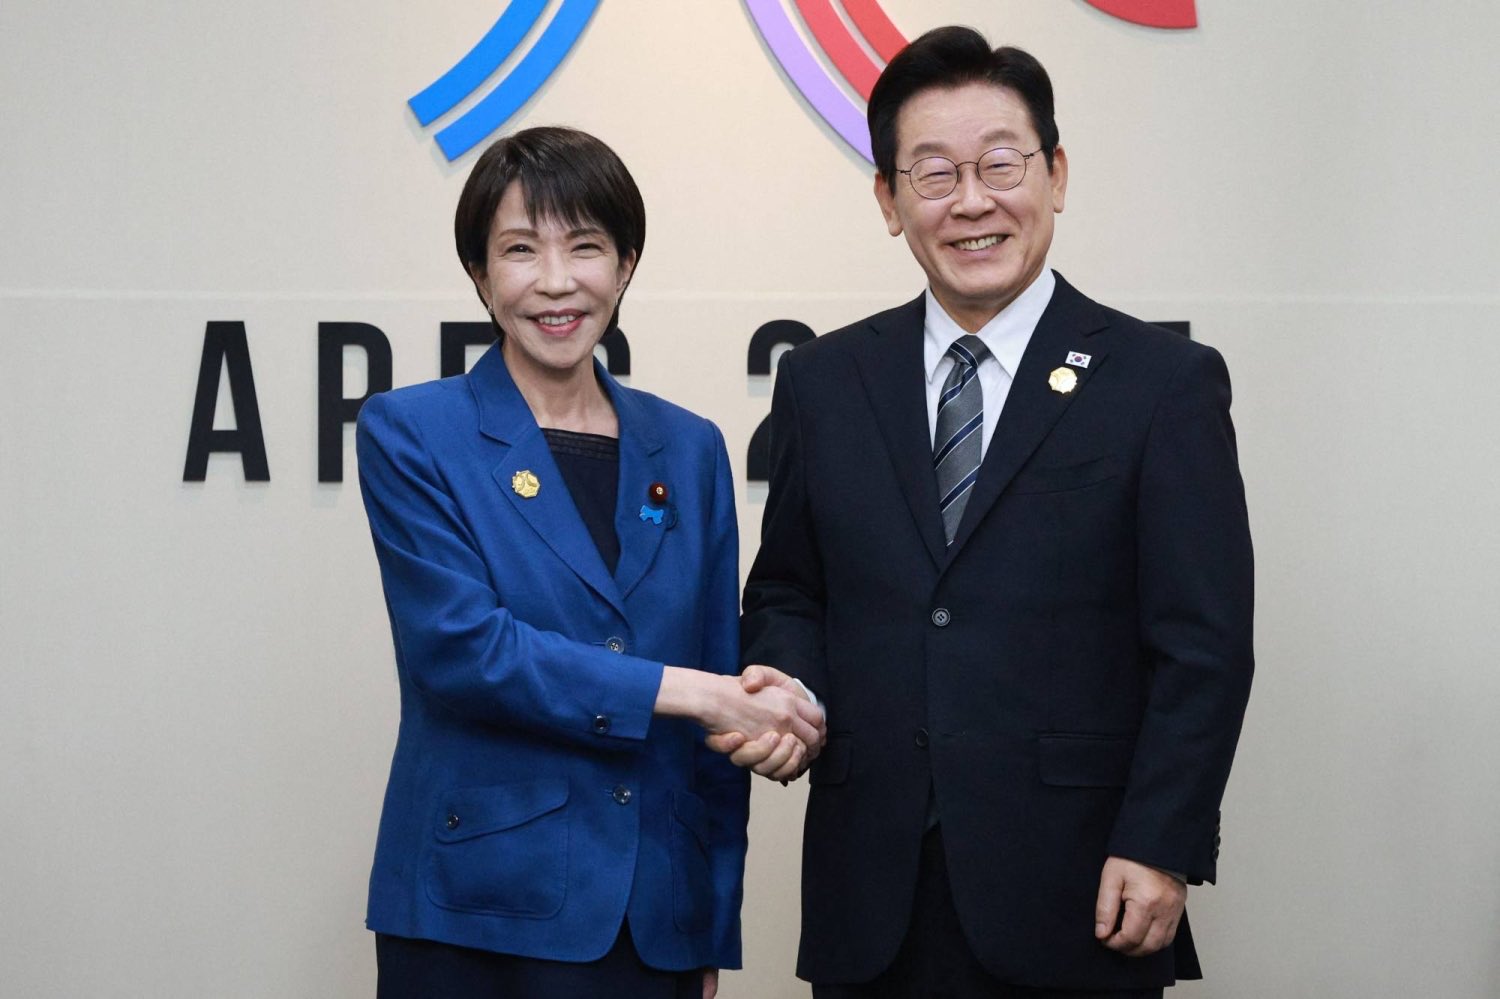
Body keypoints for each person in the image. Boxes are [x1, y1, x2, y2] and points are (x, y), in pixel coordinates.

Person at [726, 26, 1255, 999]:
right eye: (932, 174)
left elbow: (1203, 645)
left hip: (1081, 886)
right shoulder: (823, 382)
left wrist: (1162, 842)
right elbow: (791, 590)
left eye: (1001, 164)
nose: (972, 201)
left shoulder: (1160, 384)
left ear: (1055, 173)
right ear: (888, 201)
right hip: (871, 895)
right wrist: (790, 694)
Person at [355, 126, 824, 998]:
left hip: (654, 919)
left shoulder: (688, 447)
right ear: (479, 275)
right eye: (521, 249)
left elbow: (721, 684)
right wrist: (689, 690)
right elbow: (463, 652)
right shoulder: (414, 429)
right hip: (478, 910)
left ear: (628, 265)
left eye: (587, 247)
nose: (557, 281)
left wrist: (706, 924)